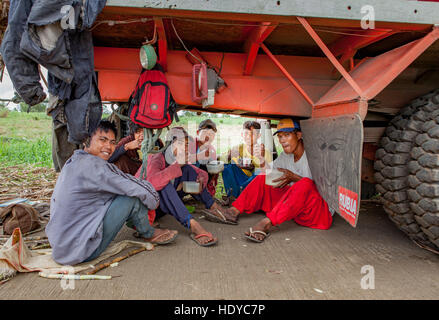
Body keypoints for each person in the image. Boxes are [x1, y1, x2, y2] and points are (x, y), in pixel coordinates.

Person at [46, 120, 178, 265]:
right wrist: (154, 201)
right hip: (80, 250)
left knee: (122, 192)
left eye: (112, 142)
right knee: (132, 198)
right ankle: (148, 233)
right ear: (86, 140)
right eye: (102, 140)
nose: (108, 146)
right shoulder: (95, 166)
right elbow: (135, 189)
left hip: (61, 246)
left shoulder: (75, 159)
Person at [224, 118, 333, 242]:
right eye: (280, 136)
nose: (282, 141)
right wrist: (260, 159)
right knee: (263, 177)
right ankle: (233, 211)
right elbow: (269, 173)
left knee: (305, 183)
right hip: (294, 212)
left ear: (298, 135)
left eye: (287, 135)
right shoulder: (285, 156)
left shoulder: (315, 157)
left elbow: (325, 190)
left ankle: (266, 223)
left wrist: (294, 177)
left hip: (318, 214)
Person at [135, 127, 235, 246]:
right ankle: (192, 224)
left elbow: (197, 172)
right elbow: (151, 184)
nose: (186, 148)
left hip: (160, 208)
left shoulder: (175, 157)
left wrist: (200, 178)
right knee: (165, 184)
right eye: (182, 143)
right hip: (143, 212)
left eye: (187, 145)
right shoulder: (157, 158)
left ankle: (213, 207)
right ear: (171, 144)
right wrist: (177, 167)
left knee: (187, 169)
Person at [221, 120, 272, 199]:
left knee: (259, 172)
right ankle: (233, 195)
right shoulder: (238, 148)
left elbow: (269, 174)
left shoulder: (265, 152)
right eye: (246, 133)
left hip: (254, 183)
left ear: (259, 136)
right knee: (227, 165)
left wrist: (253, 168)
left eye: (253, 134)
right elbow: (220, 160)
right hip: (240, 179)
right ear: (242, 134)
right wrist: (229, 156)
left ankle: (242, 196)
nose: (248, 137)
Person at [194, 119, 219, 197]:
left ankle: (205, 190)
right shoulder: (190, 144)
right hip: (186, 176)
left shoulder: (212, 150)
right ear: (198, 132)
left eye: (211, 134)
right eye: (205, 132)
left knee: (214, 165)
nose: (208, 136)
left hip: (201, 178)